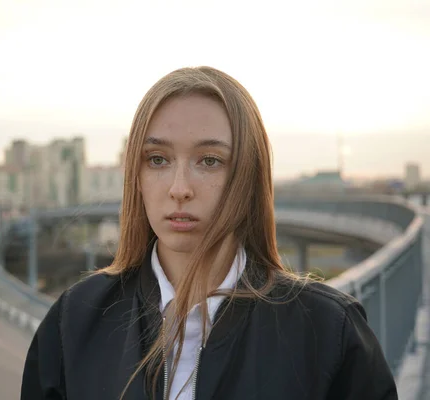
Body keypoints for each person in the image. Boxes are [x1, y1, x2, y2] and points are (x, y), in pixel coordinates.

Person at [21, 66, 397, 399]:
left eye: (210, 161)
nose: (179, 188)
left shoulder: (328, 331)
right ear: (135, 176)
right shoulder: (75, 321)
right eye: (157, 159)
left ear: (248, 177)